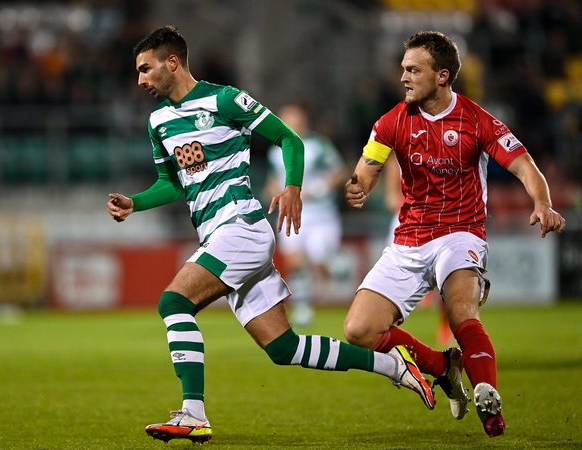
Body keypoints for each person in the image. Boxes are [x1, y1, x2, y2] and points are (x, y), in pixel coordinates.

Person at [107, 25, 436, 444]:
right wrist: (135, 203)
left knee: (173, 302)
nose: (140, 80)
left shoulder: (225, 100)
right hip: (218, 236)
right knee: (283, 348)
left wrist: (293, 187)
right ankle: (395, 366)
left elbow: (289, 139)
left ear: (172, 63)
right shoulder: (158, 121)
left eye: (145, 69)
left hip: (241, 228)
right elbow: (173, 183)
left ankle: (192, 412)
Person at [343, 30, 566, 438]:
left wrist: (542, 202)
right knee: (358, 329)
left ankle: (487, 396)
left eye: (414, 70)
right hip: (409, 238)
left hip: (460, 232)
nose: (404, 77)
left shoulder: (477, 120)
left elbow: (524, 165)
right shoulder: (391, 121)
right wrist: (358, 187)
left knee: (462, 312)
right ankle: (443, 366)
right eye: (403, 69)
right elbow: (366, 170)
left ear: (442, 76)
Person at [264, 103, 346, 327]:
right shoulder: (276, 150)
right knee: (294, 261)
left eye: (295, 119)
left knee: (321, 264)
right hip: (290, 214)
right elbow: (272, 181)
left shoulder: (319, 145)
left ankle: (339, 268)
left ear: (304, 121)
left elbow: (340, 172)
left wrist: (319, 188)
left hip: (320, 216)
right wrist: (273, 191)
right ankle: (302, 308)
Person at [383, 158, 452, 347]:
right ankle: (385, 330)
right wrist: (397, 196)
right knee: (392, 273)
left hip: (438, 216)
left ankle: (446, 322)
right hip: (407, 217)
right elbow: (391, 196)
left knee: (446, 276)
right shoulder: (399, 152)